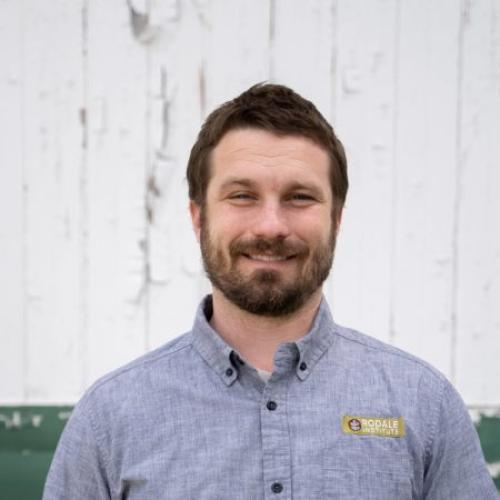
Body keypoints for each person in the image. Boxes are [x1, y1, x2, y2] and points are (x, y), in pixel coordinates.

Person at [43, 83, 498, 499]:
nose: (270, 226)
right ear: (199, 218)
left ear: (336, 220)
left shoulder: (424, 404)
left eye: (300, 197)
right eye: (242, 195)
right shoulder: (109, 418)